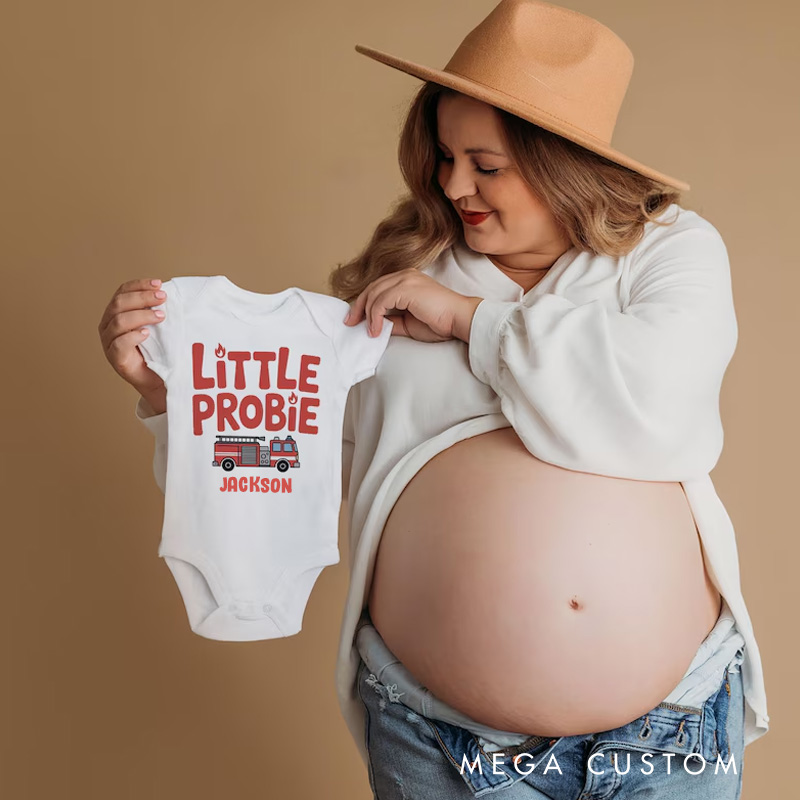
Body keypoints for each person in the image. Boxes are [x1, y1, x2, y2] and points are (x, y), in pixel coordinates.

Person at [99, 1, 768, 797]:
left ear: (563, 164)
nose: (454, 185)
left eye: (486, 165)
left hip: (670, 725)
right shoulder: (404, 274)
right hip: (440, 733)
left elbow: (659, 395)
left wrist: (471, 322)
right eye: (445, 155)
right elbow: (299, 463)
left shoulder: (667, 253)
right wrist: (178, 397)